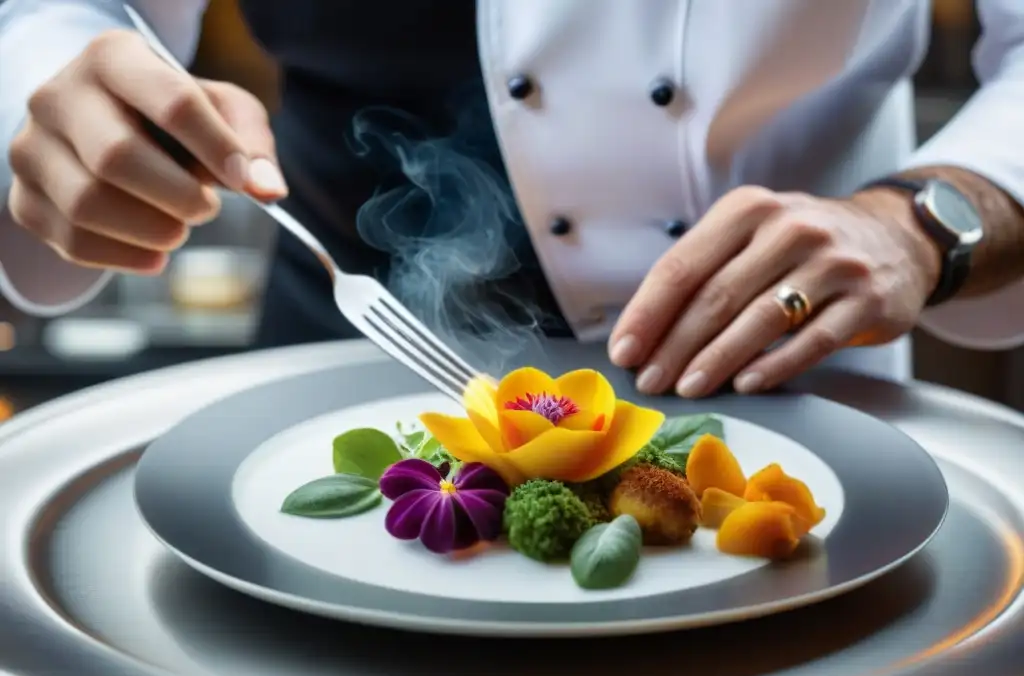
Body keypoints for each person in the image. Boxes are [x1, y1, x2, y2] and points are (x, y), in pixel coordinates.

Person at [1, 0, 1023, 398]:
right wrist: (46, 90)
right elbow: (52, 14)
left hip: (798, 391)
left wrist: (922, 221)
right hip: (337, 377)